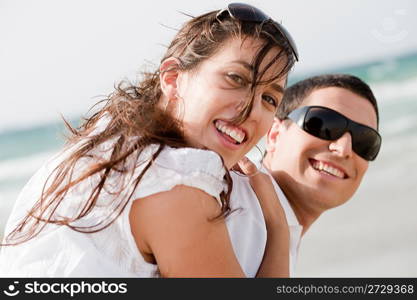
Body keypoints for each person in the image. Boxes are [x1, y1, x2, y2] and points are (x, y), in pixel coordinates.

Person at [0, 3, 298, 277]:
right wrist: (278, 227)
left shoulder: (100, 145)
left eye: (269, 98)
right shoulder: (174, 179)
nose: (252, 111)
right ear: (172, 78)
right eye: (236, 79)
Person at [227, 74, 381, 276]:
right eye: (323, 124)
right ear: (274, 134)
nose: (344, 149)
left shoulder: (274, 226)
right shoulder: (237, 208)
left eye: (364, 141)